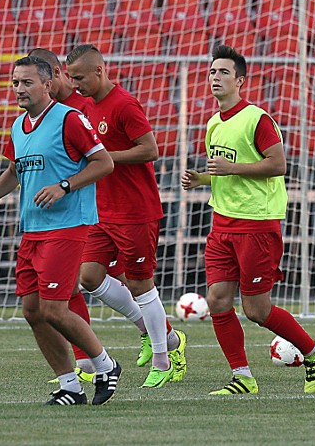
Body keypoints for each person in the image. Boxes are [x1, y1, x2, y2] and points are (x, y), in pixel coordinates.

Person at [0, 56, 120, 405]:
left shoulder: (69, 119)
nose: (19, 88)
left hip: (68, 227)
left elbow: (104, 163)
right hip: (33, 228)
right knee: (33, 311)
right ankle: (70, 386)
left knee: (53, 309)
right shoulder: (19, 125)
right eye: (15, 82)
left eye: (27, 82)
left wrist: (64, 185)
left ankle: (106, 365)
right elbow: (16, 171)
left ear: (48, 84)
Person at [181, 44, 315, 395]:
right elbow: (226, 172)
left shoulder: (257, 119)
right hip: (222, 223)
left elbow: (278, 165)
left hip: (257, 224)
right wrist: (201, 179)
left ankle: (314, 351)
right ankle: (243, 377)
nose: (215, 78)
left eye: (223, 73)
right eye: (212, 72)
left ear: (240, 80)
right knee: (217, 300)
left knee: (256, 309)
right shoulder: (214, 122)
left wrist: (231, 168)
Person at [28, 47, 155, 382]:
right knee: (80, 280)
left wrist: (92, 162)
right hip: (90, 209)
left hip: (126, 206)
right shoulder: (49, 113)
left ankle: (164, 345)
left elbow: (141, 151)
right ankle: (87, 360)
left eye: (33, 81)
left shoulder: (95, 105)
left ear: (52, 76)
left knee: (136, 282)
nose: (27, 89)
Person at [65, 44, 187, 388]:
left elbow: (150, 149)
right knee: (88, 276)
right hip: (102, 209)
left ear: (99, 72)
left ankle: (164, 359)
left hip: (135, 210)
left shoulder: (125, 104)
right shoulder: (86, 106)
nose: (76, 85)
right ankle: (154, 332)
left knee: (139, 283)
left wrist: (104, 157)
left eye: (79, 78)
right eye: (71, 78)